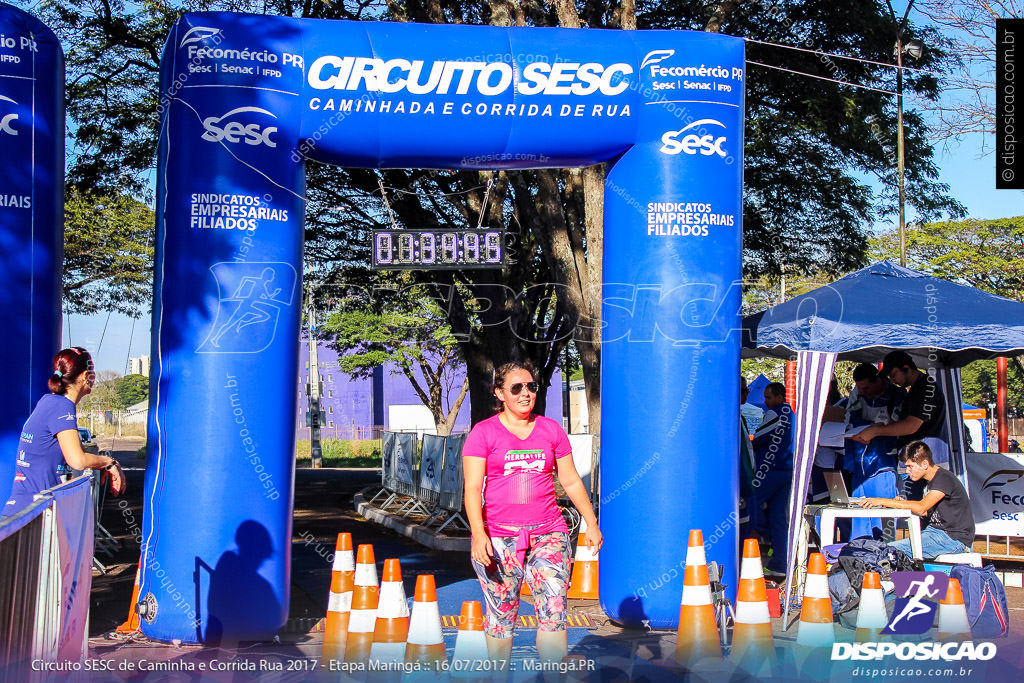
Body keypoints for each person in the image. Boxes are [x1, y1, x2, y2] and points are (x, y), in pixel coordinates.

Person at [462, 361, 601, 664]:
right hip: (499, 536)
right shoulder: (483, 433)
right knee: (502, 612)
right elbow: (472, 488)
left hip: (549, 532)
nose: (526, 393)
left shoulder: (550, 430)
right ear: (499, 393)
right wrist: (478, 534)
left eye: (531, 386)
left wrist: (591, 523)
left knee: (553, 609)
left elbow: (571, 480)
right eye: (516, 388)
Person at [4, 347, 119, 519]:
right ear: (84, 376)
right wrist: (109, 462)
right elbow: (77, 460)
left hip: (27, 509)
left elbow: (81, 453)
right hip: (31, 514)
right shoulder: (61, 406)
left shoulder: (51, 401)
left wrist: (99, 464)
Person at [859, 441, 975, 560]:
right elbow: (925, 511)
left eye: (910, 466)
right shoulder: (928, 480)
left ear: (925, 464)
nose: (907, 471)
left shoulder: (943, 478)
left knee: (886, 551)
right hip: (936, 533)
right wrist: (899, 503)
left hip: (952, 538)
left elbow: (921, 508)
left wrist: (883, 501)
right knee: (886, 550)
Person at [842, 362, 906, 540]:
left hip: (883, 463)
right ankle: (857, 555)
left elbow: (895, 424)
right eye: (861, 389)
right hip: (859, 463)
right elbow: (848, 418)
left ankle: (883, 557)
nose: (865, 393)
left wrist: (876, 430)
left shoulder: (897, 395)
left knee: (882, 518)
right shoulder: (858, 392)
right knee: (858, 514)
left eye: (868, 388)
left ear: (878, 380)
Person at [852, 350, 947, 465]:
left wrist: (876, 431)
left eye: (893, 375)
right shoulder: (918, 388)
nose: (892, 380)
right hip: (918, 460)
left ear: (906, 368)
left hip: (924, 463)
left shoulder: (924, 389)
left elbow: (911, 425)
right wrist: (887, 427)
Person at [752, 381, 794, 575]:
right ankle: (779, 562)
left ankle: (765, 535)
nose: (766, 401)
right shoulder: (793, 415)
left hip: (769, 469)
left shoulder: (775, 413)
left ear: (779, 397)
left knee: (751, 504)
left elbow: (759, 437)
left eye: (768, 397)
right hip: (787, 468)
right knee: (779, 516)